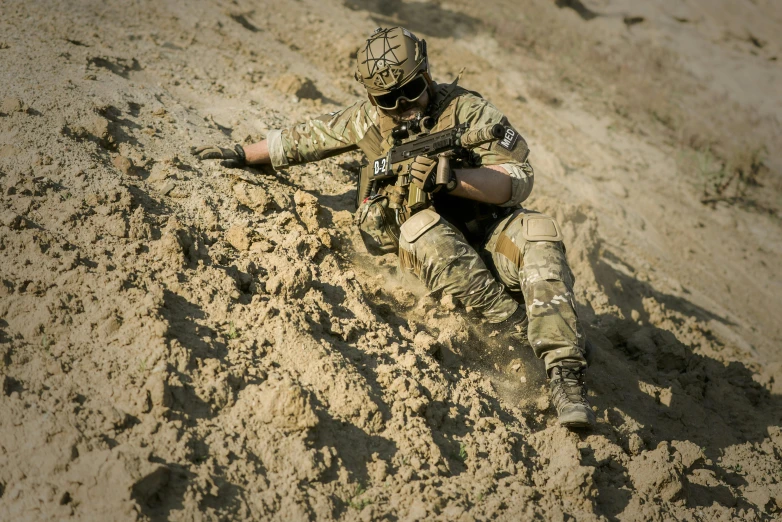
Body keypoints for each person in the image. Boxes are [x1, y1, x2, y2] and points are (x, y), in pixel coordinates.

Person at [191, 27, 595, 429]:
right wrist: (243, 152)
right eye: (388, 100)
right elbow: (305, 139)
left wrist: (454, 179)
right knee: (421, 227)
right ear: (372, 99)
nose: (403, 105)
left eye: (412, 89)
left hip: (489, 235)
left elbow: (518, 178)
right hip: (427, 253)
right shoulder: (366, 123)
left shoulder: (468, 112)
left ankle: (565, 374)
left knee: (538, 231)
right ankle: (516, 329)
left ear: (427, 76)